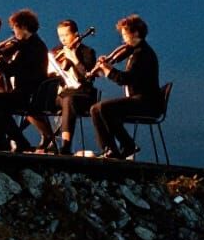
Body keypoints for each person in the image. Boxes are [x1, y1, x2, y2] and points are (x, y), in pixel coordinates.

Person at [89, 14, 163, 159]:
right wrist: (107, 64)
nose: (123, 39)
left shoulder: (142, 54)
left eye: (125, 34)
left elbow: (125, 79)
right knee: (100, 110)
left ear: (135, 33)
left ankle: (117, 148)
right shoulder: (135, 51)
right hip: (140, 100)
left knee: (100, 108)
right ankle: (121, 147)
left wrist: (107, 70)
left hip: (147, 102)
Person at [0, 8, 48, 152]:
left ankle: (7, 141)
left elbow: (11, 71)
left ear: (23, 27)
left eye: (15, 28)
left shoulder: (32, 48)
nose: (14, 33)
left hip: (29, 95)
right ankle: (12, 141)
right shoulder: (29, 44)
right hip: (25, 92)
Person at [31, 20, 97, 155]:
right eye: (60, 35)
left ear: (76, 35)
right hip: (60, 93)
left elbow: (88, 77)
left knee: (69, 100)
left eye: (66, 35)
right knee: (31, 101)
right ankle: (48, 136)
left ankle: (66, 145)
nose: (63, 39)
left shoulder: (87, 52)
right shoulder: (56, 51)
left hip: (81, 95)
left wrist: (73, 58)